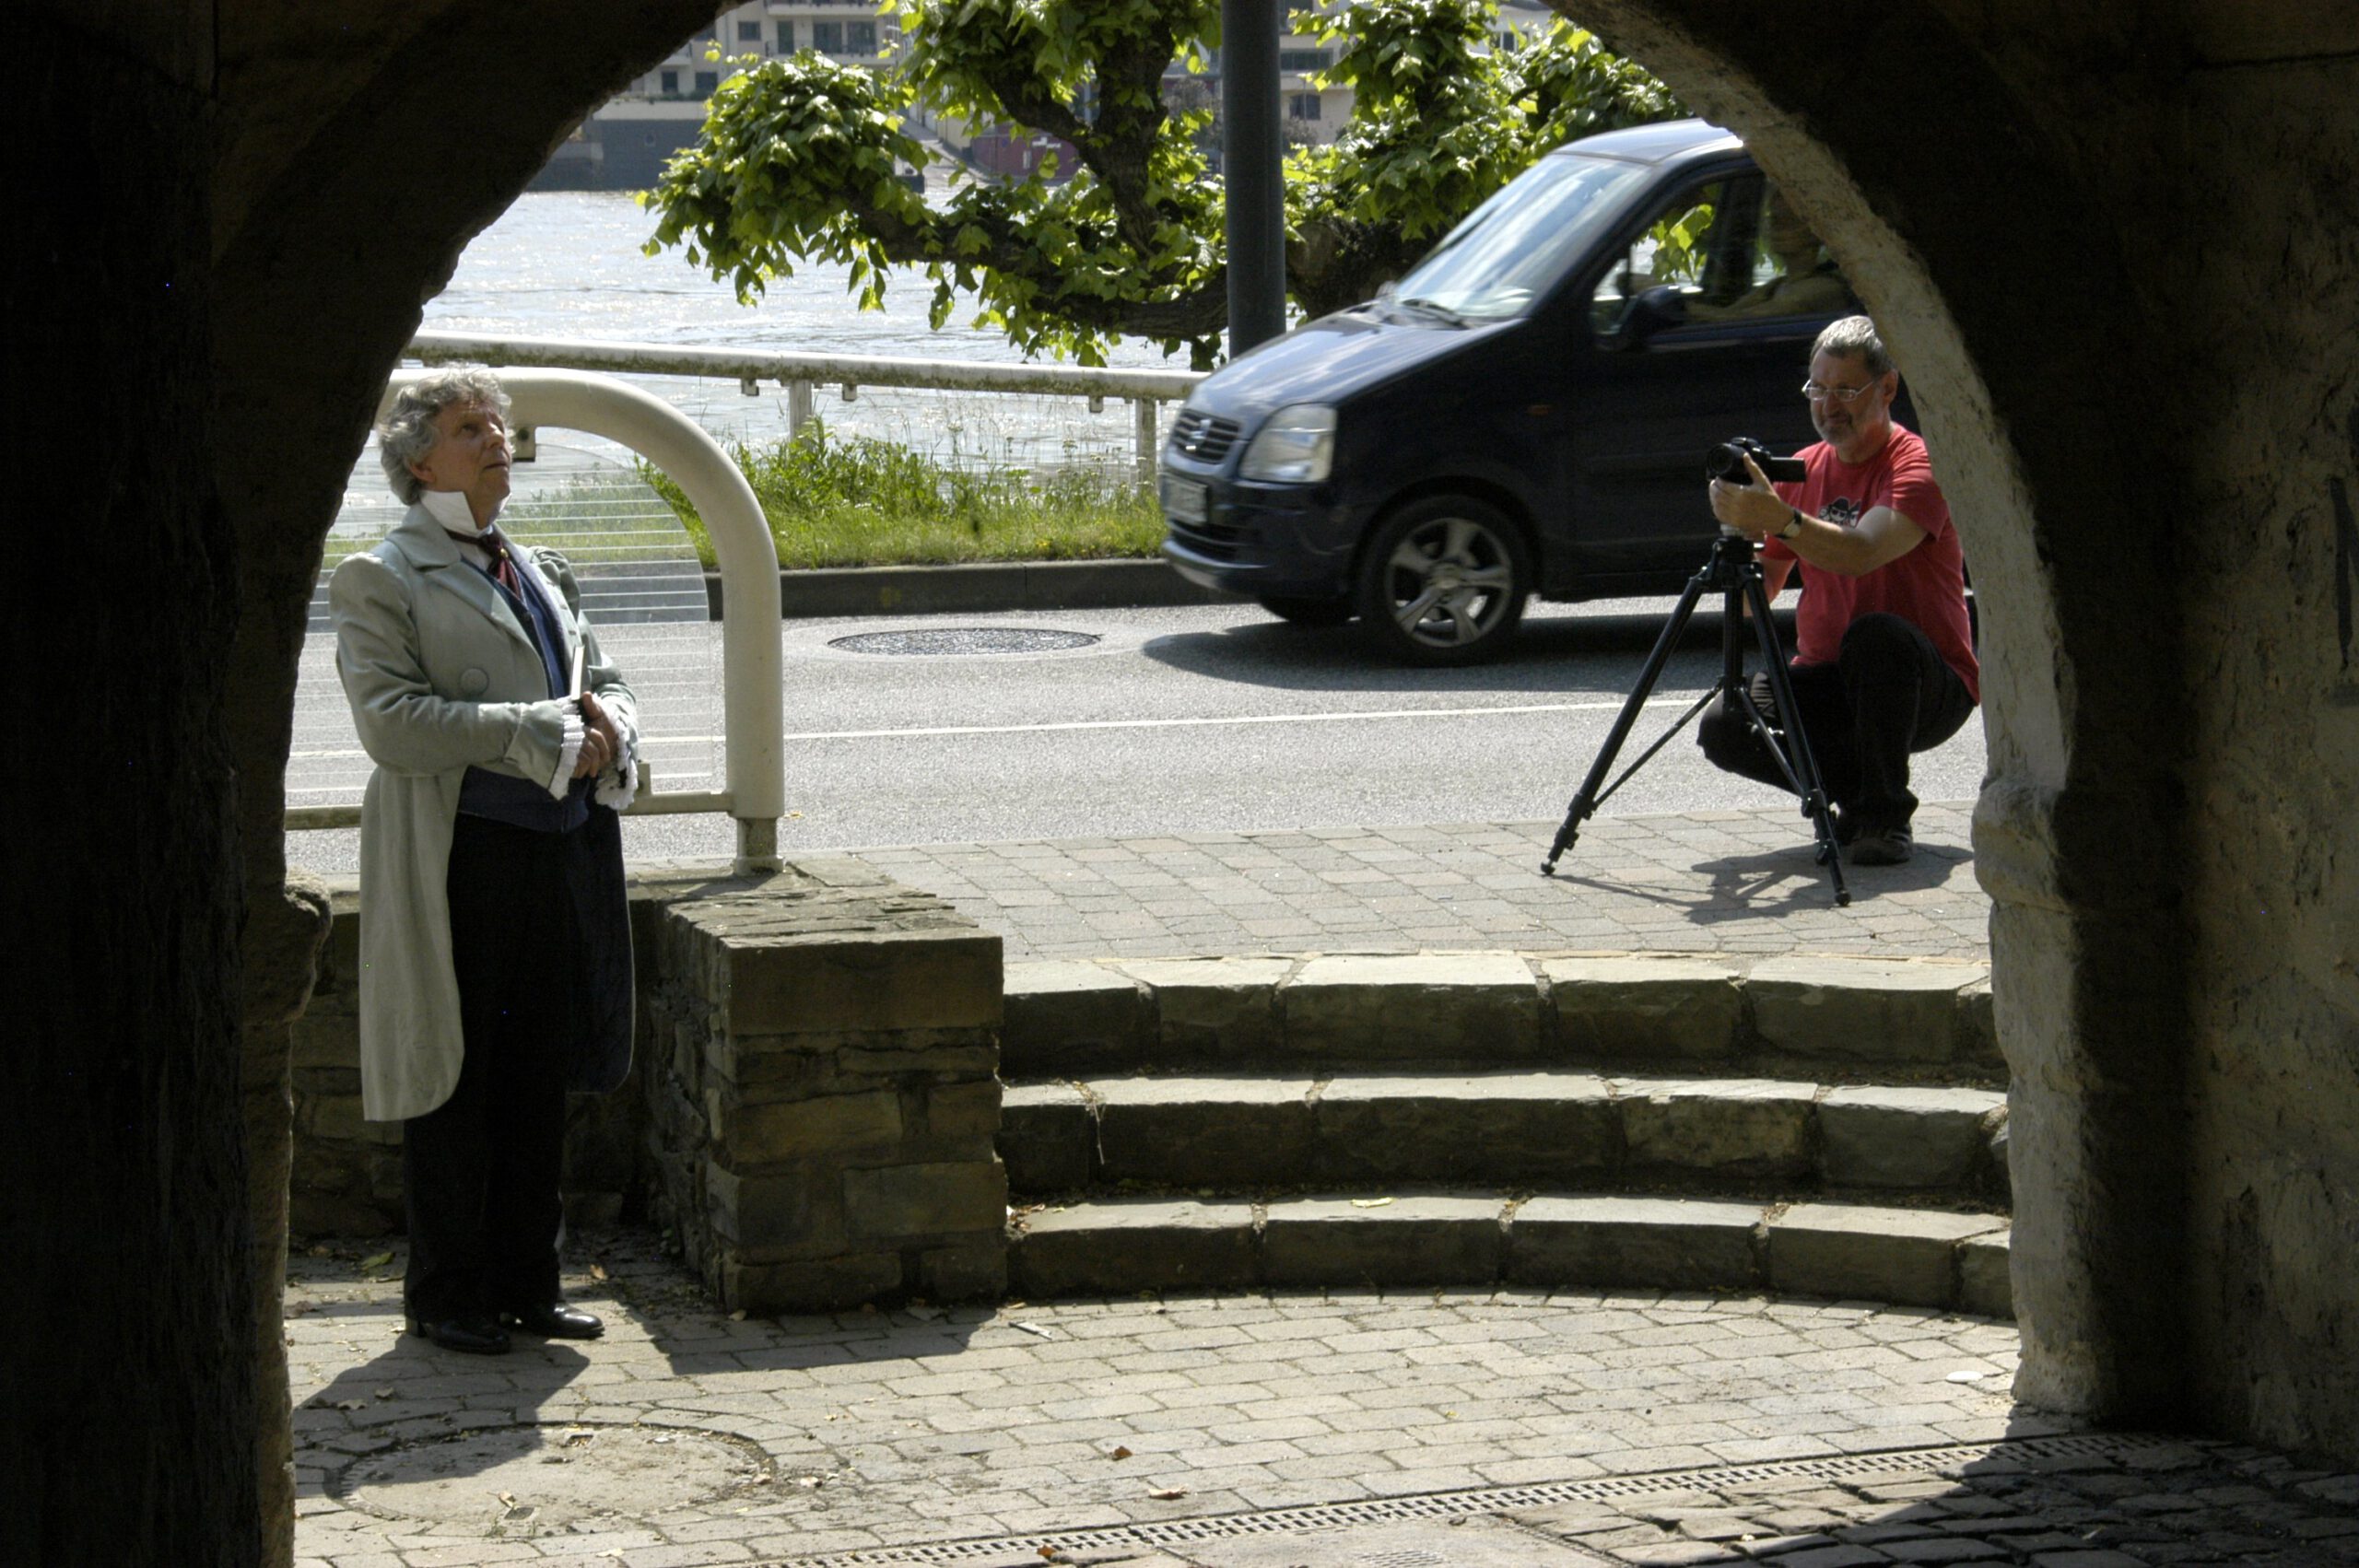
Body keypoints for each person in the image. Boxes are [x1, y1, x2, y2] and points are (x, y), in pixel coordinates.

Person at [333, 369, 641, 1355]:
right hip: (460, 858)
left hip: (559, 850)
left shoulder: (538, 564)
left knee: (536, 1073)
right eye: (472, 428)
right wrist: (533, 730)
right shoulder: (380, 575)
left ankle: (528, 1283)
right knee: (455, 1077)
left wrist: (611, 725)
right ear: (421, 462)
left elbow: (604, 677)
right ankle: (446, 1295)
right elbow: (391, 725)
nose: (498, 438)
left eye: (500, 424)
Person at [1701, 316, 1978, 865]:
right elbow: (1764, 590)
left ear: (1888, 388)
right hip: (1829, 675)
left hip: (1924, 685)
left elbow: (1862, 553)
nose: (1829, 406)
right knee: (1727, 723)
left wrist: (1782, 520)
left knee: (1876, 636)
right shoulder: (1804, 468)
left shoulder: (1919, 464)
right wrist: (1739, 531)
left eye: (1846, 391)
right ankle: (1859, 797)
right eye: (1818, 389)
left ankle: (1884, 820)